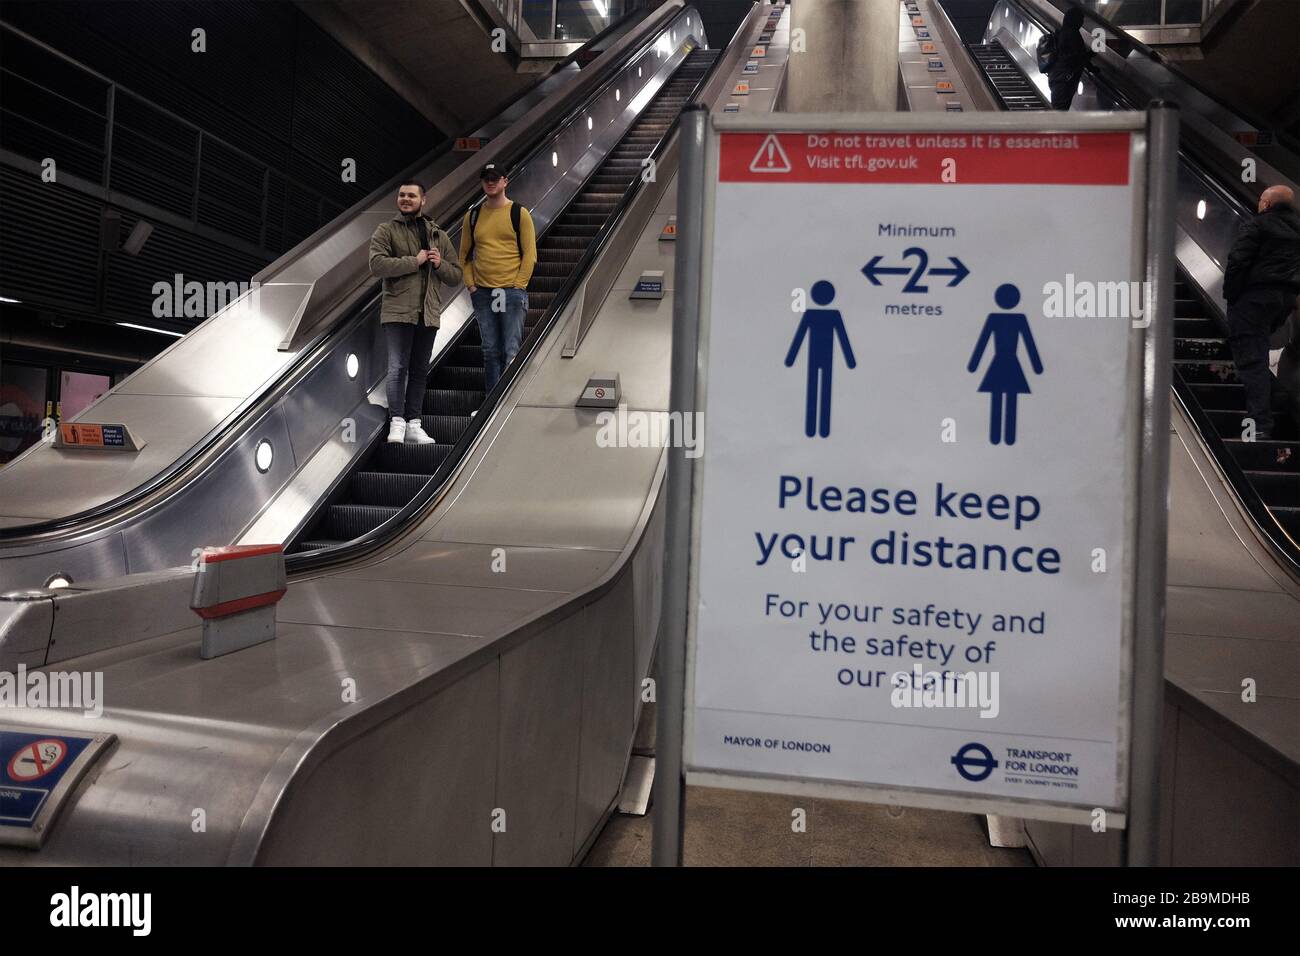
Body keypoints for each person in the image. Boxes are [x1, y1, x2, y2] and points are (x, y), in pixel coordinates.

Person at [369, 180, 463, 443]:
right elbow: (376, 265)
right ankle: (396, 422)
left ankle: (414, 424)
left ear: (424, 200)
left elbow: (456, 275)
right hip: (398, 310)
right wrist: (416, 261)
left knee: (420, 369)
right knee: (398, 367)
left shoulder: (438, 235)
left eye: (411, 195)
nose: (406, 199)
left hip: (428, 312)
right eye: (402, 195)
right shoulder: (386, 230)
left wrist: (439, 263)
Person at [1223, 184, 1300, 439]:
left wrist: (1232, 296)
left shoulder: (1259, 225)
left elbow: (1238, 260)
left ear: (1266, 204)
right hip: (1285, 300)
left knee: (1252, 357)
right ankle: (1270, 410)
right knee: (1257, 346)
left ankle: (1260, 423)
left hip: (1255, 298)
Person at [460, 163, 537, 393]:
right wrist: (471, 285)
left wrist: (519, 285)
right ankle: (491, 403)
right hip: (483, 292)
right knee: (490, 350)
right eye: (486, 179)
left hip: (511, 291)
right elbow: (463, 255)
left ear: (505, 181)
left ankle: (507, 402)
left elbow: (530, 253)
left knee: (510, 350)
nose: (490, 182)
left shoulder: (518, 213)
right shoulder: (473, 216)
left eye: (495, 178)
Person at [968, 283, 1043, 446]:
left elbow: (1028, 342)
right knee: (1006, 398)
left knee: (1006, 398)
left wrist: (974, 365)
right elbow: (984, 341)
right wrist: (1036, 366)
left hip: (1003, 362)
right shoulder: (1004, 318)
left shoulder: (1006, 318)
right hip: (1007, 362)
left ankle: (1004, 437)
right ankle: (1000, 437)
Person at [1043, 6, 1093, 111]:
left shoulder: (1062, 32)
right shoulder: (1072, 33)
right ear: (1074, 19)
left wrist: (1090, 65)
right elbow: (1077, 56)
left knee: (1059, 108)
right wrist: (1090, 56)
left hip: (1057, 76)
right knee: (1060, 110)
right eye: (1080, 18)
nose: (1082, 21)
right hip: (1064, 78)